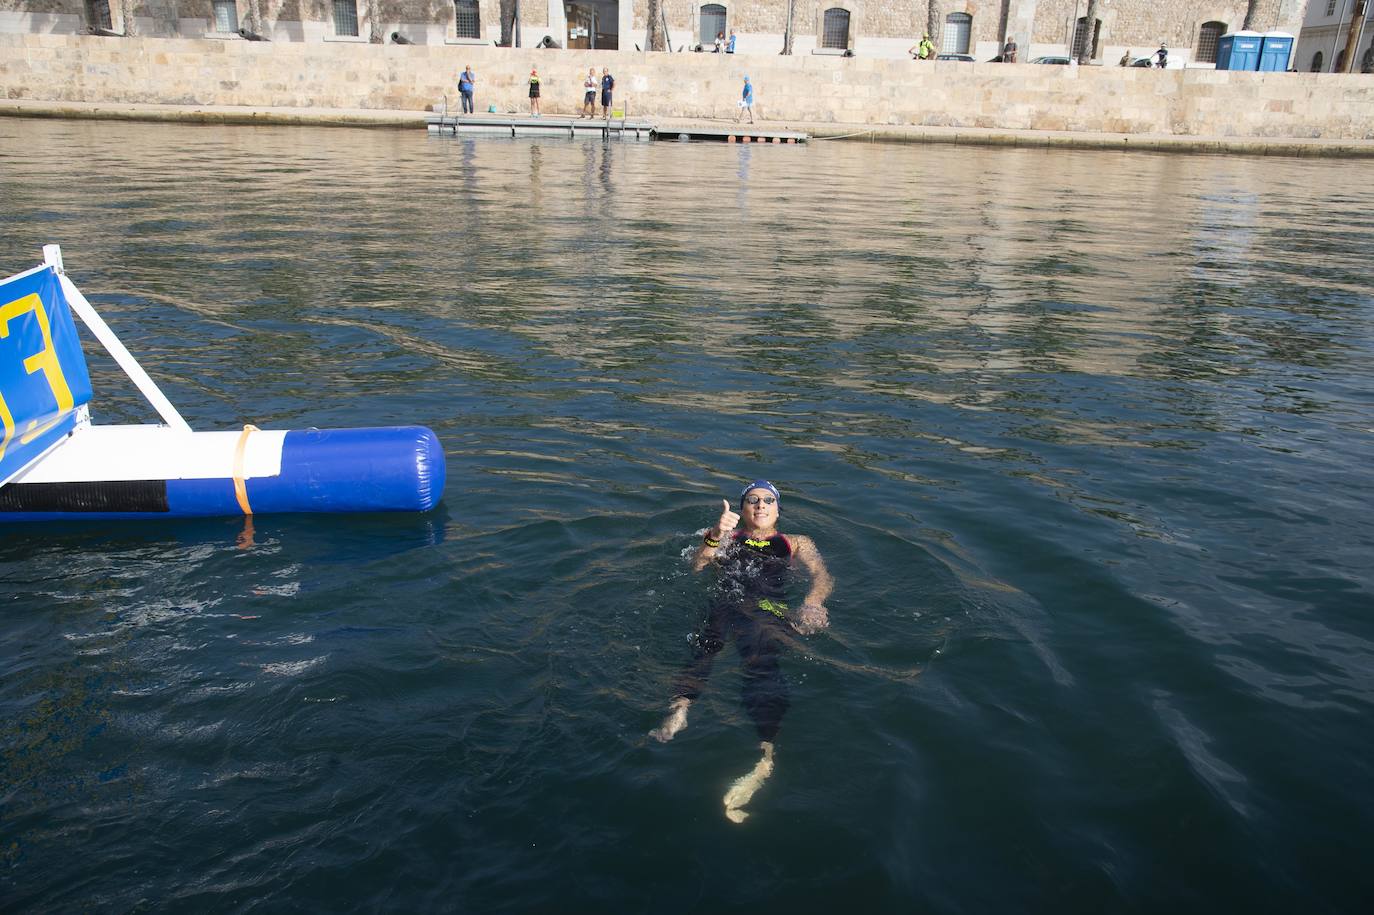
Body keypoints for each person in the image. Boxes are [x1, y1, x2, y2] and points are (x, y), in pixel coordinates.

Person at [650, 481, 833, 824]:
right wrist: (715, 534)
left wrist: (813, 601)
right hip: (724, 603)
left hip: (765, 612)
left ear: (778, 509)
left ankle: (766, 755)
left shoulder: (796, 543)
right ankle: (679, 709)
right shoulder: (723, 536)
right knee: (703, 649)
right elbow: (697, 568)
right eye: (752, 500)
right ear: (742, 508)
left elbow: (822, 577)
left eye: (767, 500)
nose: (760, 505)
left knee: (762, 665)